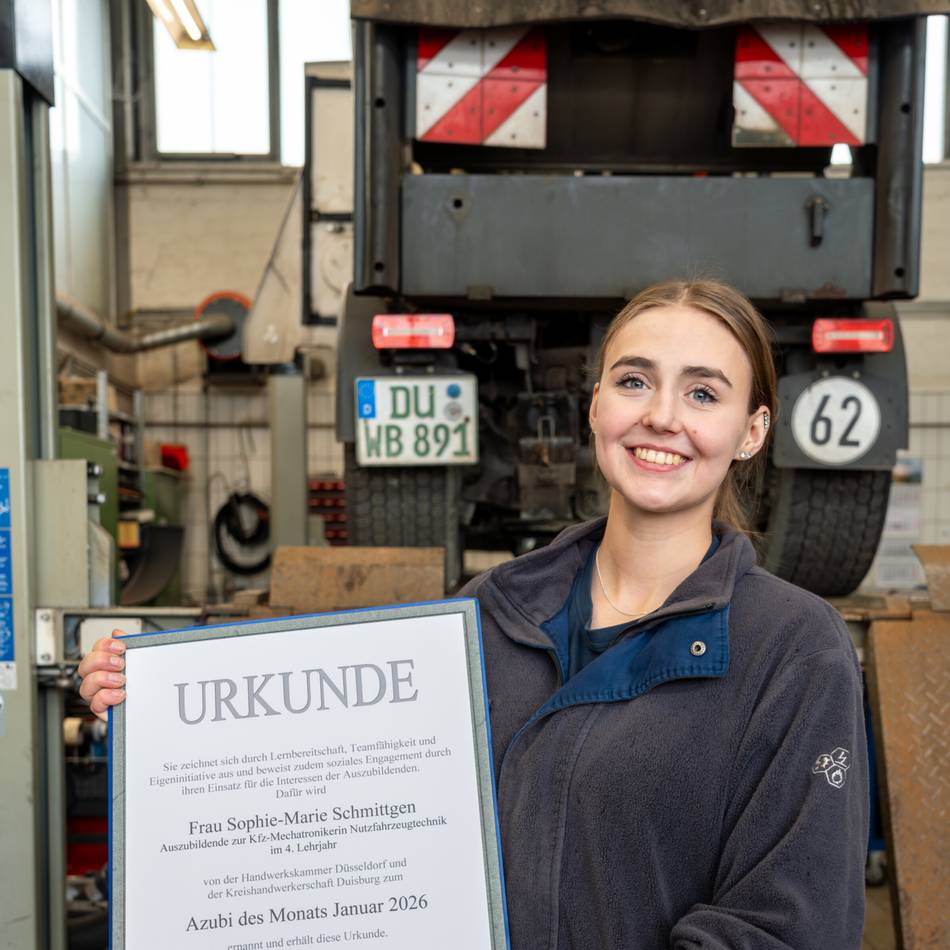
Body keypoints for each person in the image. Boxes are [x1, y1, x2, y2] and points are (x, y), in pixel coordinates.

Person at [79, 279, 868, 949]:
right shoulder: (487, 616)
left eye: (702, 393)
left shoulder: (793, 651)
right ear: (595, 407)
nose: (662, 416)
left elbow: (783, 926)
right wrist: (160, 703)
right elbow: (336, 790)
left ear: (752, 432)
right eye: (633, 381)